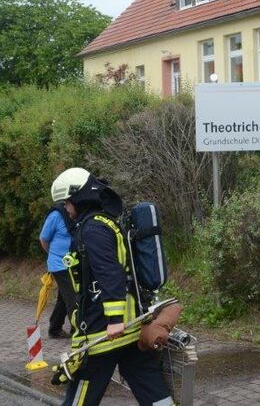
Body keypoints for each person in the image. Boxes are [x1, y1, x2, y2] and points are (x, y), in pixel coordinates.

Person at [50, 167, 174, 406]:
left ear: (79, 198)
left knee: (83, 386)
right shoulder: (105, 222)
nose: (65, 208)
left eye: (66, 203)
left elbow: (110, 273)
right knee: (147, 381)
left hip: (106, 330)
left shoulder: (93, 228)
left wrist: (115, 318)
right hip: (130, 327)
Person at [39, 200, 78, 339]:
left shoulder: (77, 212)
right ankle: (78, 331)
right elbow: (44, 239)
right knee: (73, 297)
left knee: (63, 297)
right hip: (59, 265)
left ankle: (54, 328)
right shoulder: (56, 215)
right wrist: (53, 255)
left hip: (74, 263)